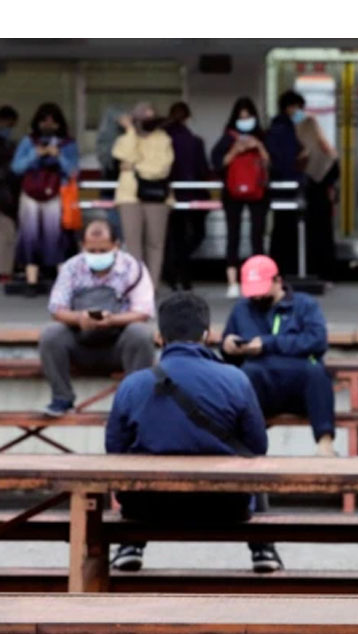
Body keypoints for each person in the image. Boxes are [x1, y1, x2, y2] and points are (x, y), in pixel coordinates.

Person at [105, 291, 282, 574]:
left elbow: (114, 448)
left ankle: (130, 544)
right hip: (225, 505)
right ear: (208, 334)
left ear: (159, 337)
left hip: (147, 508)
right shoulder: (236, 379)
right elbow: (257, 446)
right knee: (250, 465)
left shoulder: (132, 384)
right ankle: (263, 550)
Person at [39, 218, 155, 416]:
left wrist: (113, 320)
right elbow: (57, 309)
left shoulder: (133, 268)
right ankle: (62, 398)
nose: (97, 255)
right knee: (51, 335)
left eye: (103, 251)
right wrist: (79, 318)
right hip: (79, 345)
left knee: (141, 334)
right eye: (92, 251)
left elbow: (143, 312)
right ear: (82, 246)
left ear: (116, 245)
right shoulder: (71, 268)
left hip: (119, 346)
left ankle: (135, 401)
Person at [222, 255, 336, 457]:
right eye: (252, 292)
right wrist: (229, 347)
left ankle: (325, 443)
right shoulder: (241, 309)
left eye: (261, 290)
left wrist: (267, 344)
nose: (256, 297)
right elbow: (229, 358)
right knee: (246, 375)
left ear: (278, 281)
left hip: (299, 382)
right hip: (261, 384)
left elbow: (317, 341)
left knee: (317, 374)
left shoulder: (304, 305)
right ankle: (245, 446)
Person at [11, 102, 79, 293]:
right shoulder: (28, 142)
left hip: (56, 194)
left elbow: (73, 171)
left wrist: (59, 156)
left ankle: (61, 284)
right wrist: (35, 154)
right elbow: (16, 168)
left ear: (60, 124)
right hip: (30, 194)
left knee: (56, 237)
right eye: (44, 121)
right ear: (37, 122)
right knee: (29, 235)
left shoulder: (68, 143)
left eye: (53, 122)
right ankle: (32, 282)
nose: (48, 126)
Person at [211, 97, 270, 298]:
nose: (245, 120)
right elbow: (218, 163)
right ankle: (233, 282)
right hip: (232, 193)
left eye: (248, 116)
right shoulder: (228, 138)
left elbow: (271, 165)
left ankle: (260, 281)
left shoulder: (262, 136)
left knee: (257, 236)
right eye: (241, 117)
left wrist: (259, 146)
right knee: (233, 236)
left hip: (259, 192)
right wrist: (235, 150)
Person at [112, 102, 174, 288]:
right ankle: (135, 287)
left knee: (155, 244)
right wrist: (131, 131)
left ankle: (151, 287)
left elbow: (161, 168)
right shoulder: (125, 139)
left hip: (157, 196)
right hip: (129, 196)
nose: (148, 122)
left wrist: (135, 167)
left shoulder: (163, 139)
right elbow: (124, 155)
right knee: (133, 245)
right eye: (143, 118)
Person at [163, 101, 211, 291]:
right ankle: (180, 272)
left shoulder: (163, 139)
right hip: (194, 194)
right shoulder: (195, 141)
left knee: (176, 236)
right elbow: (203, 170)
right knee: (197, 234)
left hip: (170, 194)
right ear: (188, 118)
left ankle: (174, 272)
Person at [266, 90, 306, 276]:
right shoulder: (286, 130)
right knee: (287, 228)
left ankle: (279, 267)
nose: (299, 112)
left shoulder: (276, 128)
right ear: (289, 107)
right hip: (287, 184)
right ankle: (285, 268)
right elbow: (286, 159)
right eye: (298, 107)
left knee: (280, 228)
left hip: (279, 184)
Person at [295, 115, 339, 281]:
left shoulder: (300, 151)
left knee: (307, 237)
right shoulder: (325, 150)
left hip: (305, 199)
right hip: (323, 200)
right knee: (325, 237)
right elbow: (335, 172)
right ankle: (326, 274)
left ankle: (308, 270)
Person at [0, 105, 18, 280]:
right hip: (4, 197)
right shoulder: (10, 146)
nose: (7, 128)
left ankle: (5, 271)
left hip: (7, 196)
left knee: (7, 232)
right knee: (6, 232)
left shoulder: (11, 145)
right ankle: (4, 272)